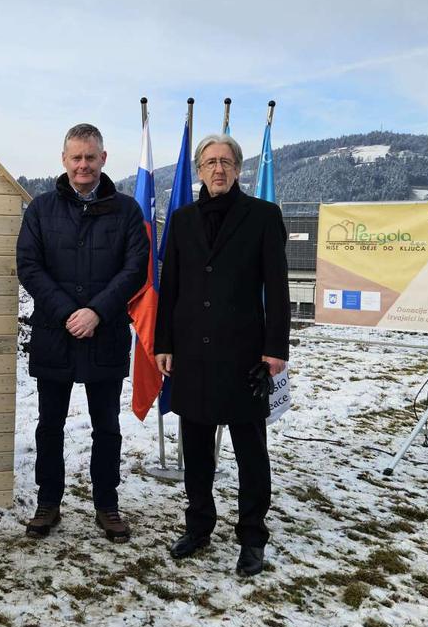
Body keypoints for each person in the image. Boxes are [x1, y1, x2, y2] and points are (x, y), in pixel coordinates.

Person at [153, 133, 290, 577]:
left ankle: (252, 536)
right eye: (210, 162)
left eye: (226, 162)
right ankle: (199, 525)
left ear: (238, 169)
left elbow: (278, 287)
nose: (218, 169)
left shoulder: (264, 217)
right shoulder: (183, 220)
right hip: (192, 354)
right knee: (195, 448)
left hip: (244, 356)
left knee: (251, 451)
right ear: (198, 171)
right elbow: (169, 286)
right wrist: (164, 343)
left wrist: (275, 349)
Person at [15, 123, 148, 542]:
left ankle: (107, 505)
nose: (83, 165)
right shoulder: (40, 209)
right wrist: (69, 312)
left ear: (104, 159)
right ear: (64, 160)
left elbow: (135, 269)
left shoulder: (127, 211)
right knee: (49, 426)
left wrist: (96, 312)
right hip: (55, 335)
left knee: (106, 427)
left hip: (105, 335)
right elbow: (29, 267)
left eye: (91, 157)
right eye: (76, 157)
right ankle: (47, 504)